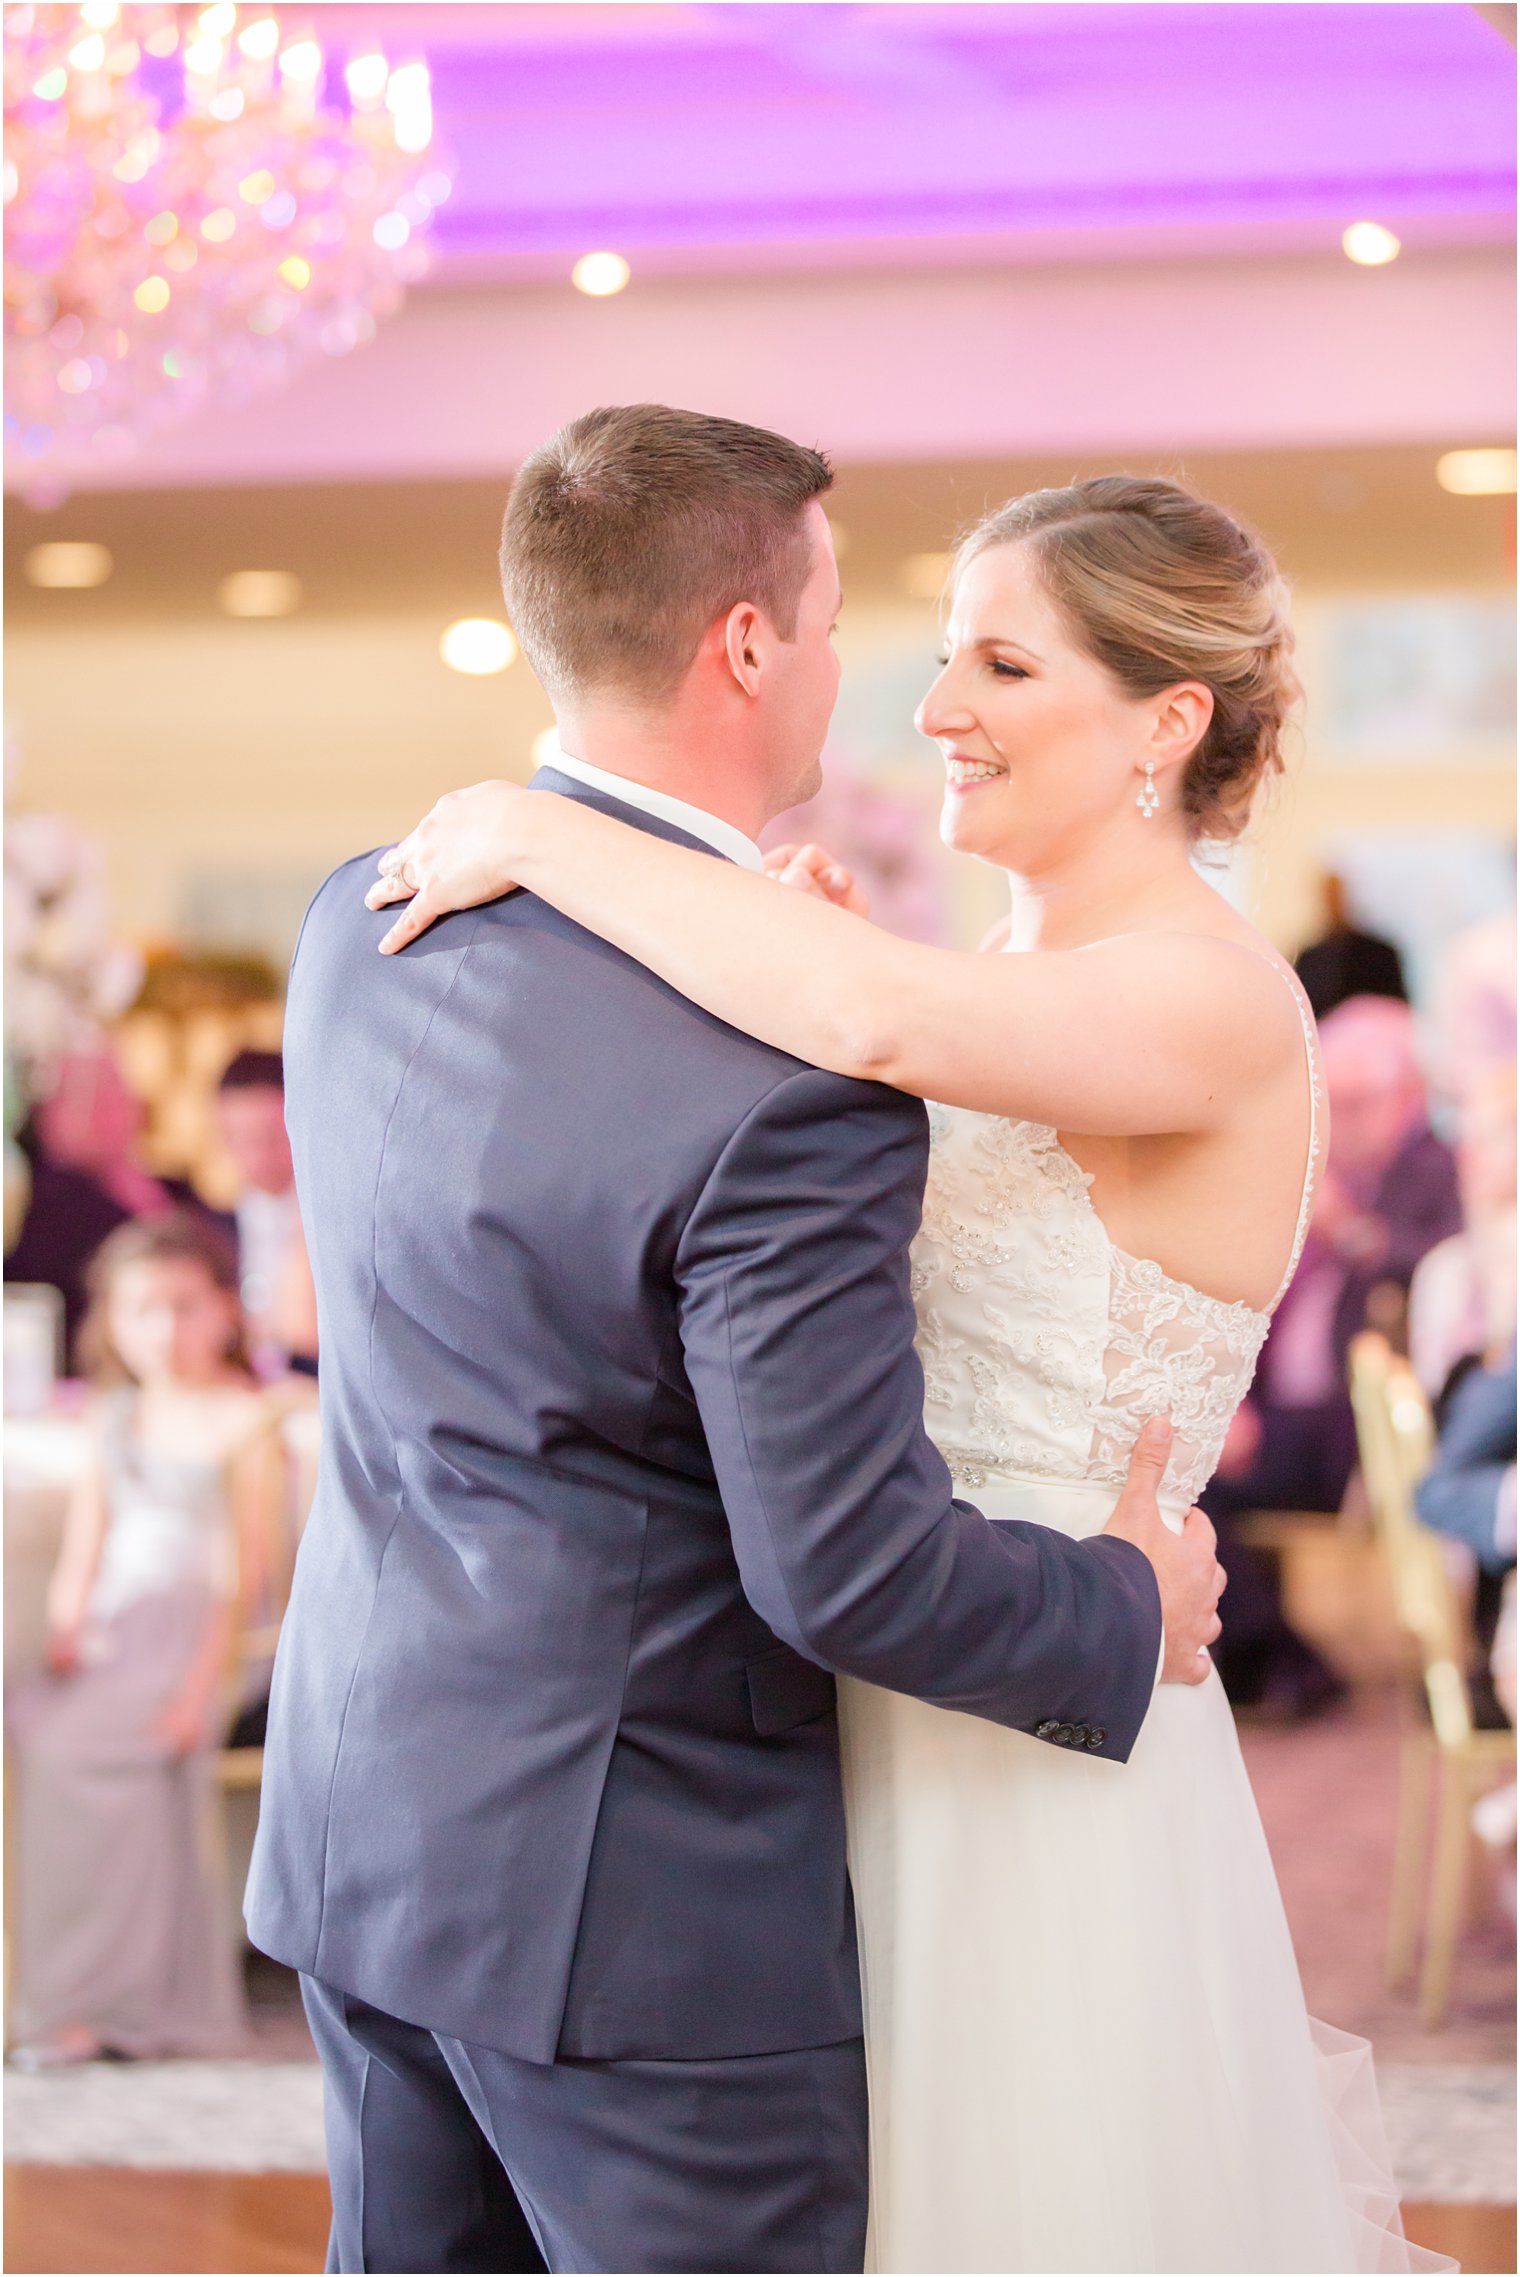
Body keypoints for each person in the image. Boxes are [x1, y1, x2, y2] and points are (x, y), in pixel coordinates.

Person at [364, 429, 1444, 2272]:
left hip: (1036, 1719)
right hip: (857, 1684)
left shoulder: (1211, 990)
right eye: (943, 647)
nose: (934, 702)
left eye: (1004, 664)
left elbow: (864, 1022)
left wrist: (541, 822)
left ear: (1166, 724)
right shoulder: (990, 977)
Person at [7, 1213, 279, 2065]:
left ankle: (115, 2001)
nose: (165, 1330)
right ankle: (61, 1989)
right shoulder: (114, 1415)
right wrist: (65, 1626)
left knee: (102, 1752)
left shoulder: (249, 1423)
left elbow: (249, 1578)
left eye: (184, 1306)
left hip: (197, 1641)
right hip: (116, 1634)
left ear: (223, 1310)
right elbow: (88, 1544)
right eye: (143, 1310)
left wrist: (199, 1689)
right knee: (38, 1728)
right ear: (114, 1321)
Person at [214, 1050, 316, 1376]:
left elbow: (304, 1331)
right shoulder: (212, 1229)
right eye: (241, 1139)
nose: (259, 1155)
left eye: (272, 1136)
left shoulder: (332, 1228)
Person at [1293, 869, 1407, 1020]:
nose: (1333, 902)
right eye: (1328, 895)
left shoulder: (1379, 953)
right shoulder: (1310, 959)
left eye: (1338, 894)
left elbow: (1395, 1010)